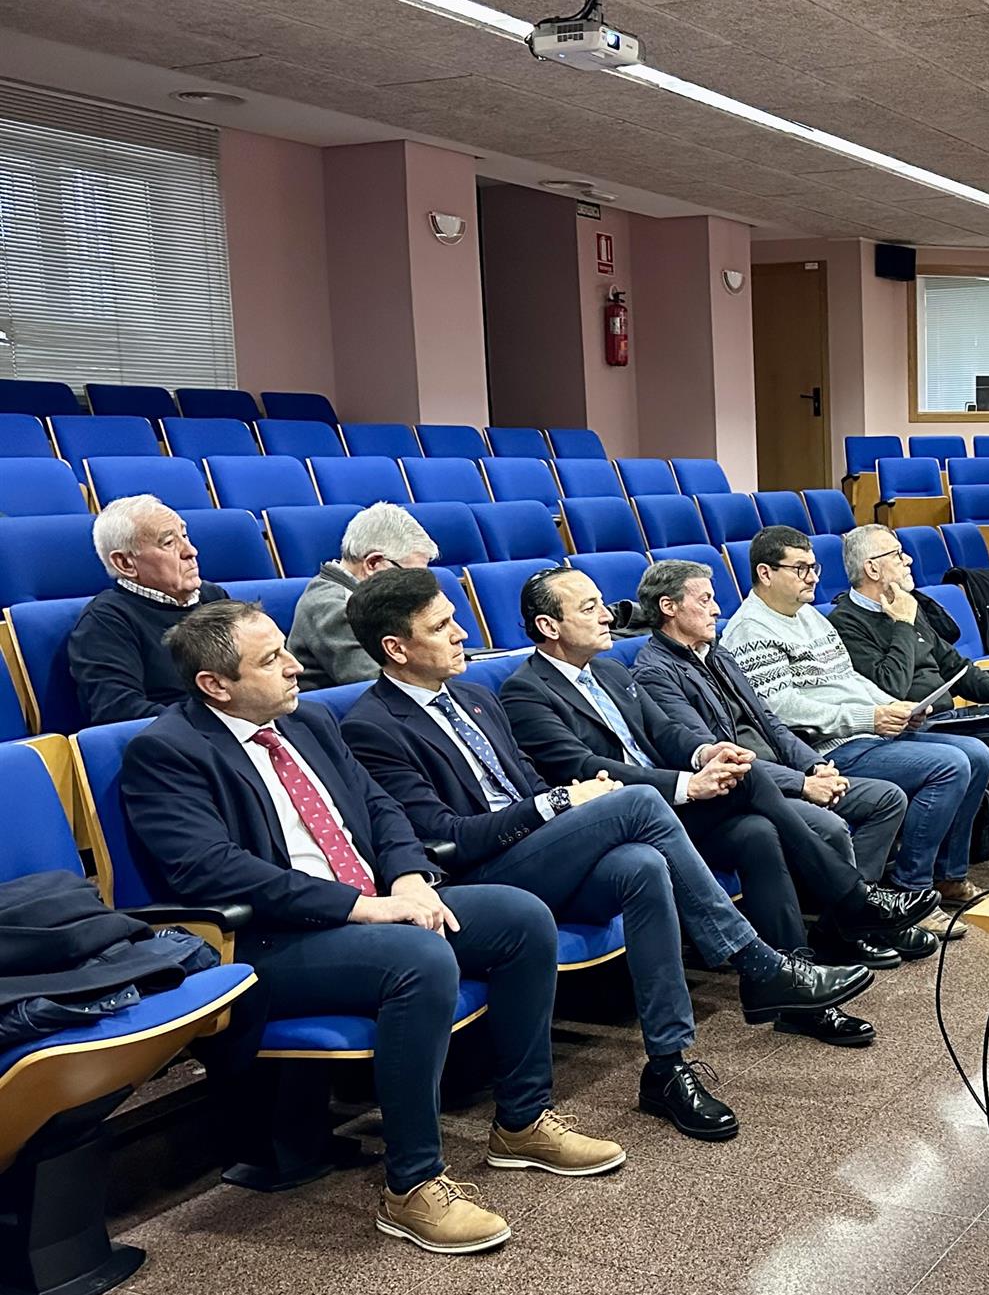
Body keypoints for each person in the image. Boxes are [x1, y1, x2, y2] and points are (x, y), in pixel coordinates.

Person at [119, 600, 626, 1255]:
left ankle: (522, 1121)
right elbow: (215, 873)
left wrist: (409, 877)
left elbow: (381, 810)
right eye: (271, 659)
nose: (294, 665)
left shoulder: (308, 722)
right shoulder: (167, 752)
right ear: (216, 685)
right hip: (269, 943)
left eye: (284, 648)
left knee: (522, 918)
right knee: (420, 958)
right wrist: (364, 907)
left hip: (375, 909)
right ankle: (411, 1187)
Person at [344, 567, 905, 1076]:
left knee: (655, 855)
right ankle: (780, 950)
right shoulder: (374, 725)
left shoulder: (472, 695)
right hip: (485, 871)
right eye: (444, 626)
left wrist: (701, 756)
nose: (464, 634)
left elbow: (542, 778)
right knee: (635, 801)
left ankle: (669, 1063)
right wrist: (564, 803)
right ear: (396, 647)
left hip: (549, 842)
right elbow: (450, 836)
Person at [628, 558, 935, 966]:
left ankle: (844, 924)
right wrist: (801, 785)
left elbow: (771, 722)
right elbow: (711, 751)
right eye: (705, 600)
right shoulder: (655, 672)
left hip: (786, 772)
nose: (718, 608)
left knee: (886, 799)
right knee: (827, 825)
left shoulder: (716, 654)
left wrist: (814, 767)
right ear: (669, 607)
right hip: (744, 789)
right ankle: (858, 913)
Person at [719, 526, 983, 909]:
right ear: (765, 573)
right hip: (825, 749)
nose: (812, 578)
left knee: (976, 754)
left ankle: (948, 874)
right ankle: (912, 889)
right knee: (950, 764)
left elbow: (849, 678)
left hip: (866, 734)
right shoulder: (749, 631)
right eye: (801, 569)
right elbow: (781, 708)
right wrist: (869, 717)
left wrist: (895, 707)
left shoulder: (810, 616)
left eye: (814, 567)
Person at [830, 524, 989, 870]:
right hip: (911, 728)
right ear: (873, 568)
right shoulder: (847, 622)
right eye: (897, 554)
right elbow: (890, 686)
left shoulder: (907, 606)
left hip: (947, 716)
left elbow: (953, 664)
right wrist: (903, 626)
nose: (908, 559)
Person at [69, 495, 231, 725]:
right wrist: (220, 723)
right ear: (125, 563)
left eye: (184, 536)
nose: (191, 551)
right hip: (185, 745)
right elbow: (118, 711)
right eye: (168, 543)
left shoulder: (213, 596)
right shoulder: (106, 621)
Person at [290, 502, 438, 689]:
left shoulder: (375, 599)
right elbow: (379, 685)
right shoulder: (334, 607)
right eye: (409, 576)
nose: (416, 587)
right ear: (373, 563)